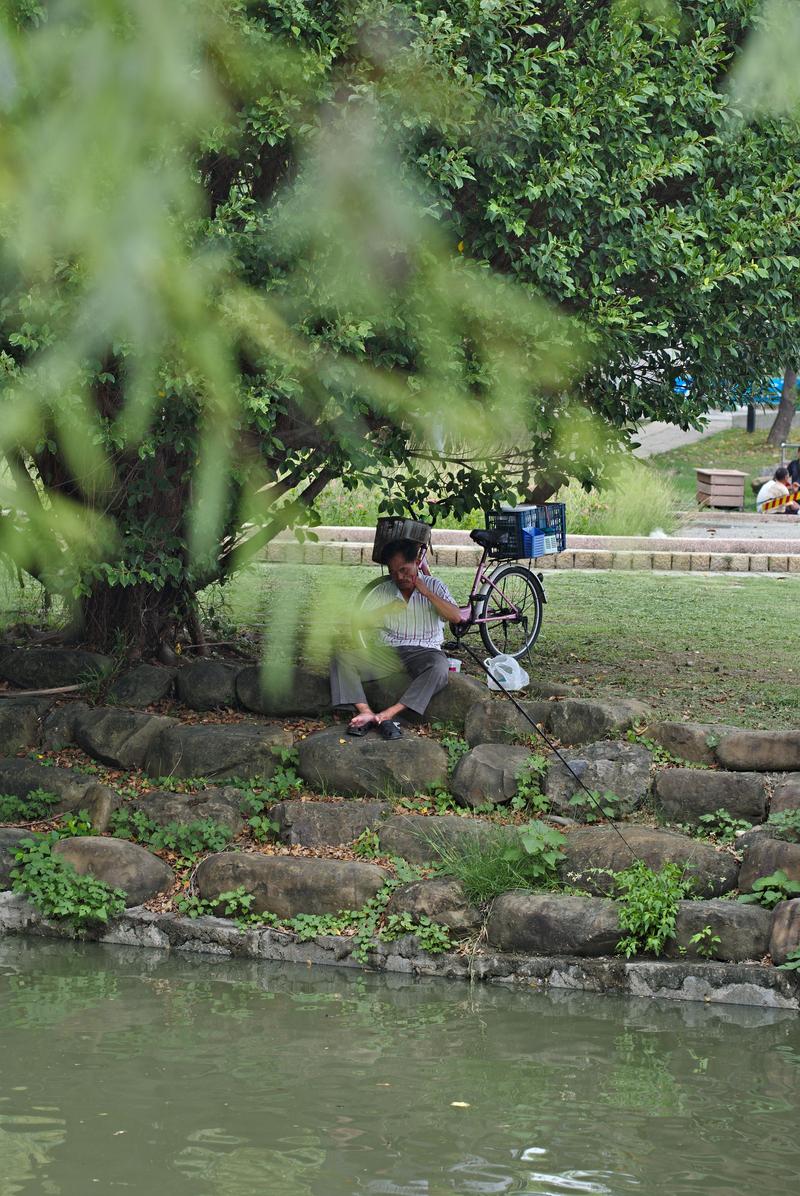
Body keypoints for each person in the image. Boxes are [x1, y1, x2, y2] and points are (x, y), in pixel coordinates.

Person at [329, 539, 463, 739]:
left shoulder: (434, 585)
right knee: (342, 658)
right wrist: (385, 609)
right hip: (388, 650)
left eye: (404, 570)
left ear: (417, 563)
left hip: (425, 651)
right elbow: (359, 623)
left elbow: (455, 617)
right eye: (393, 572)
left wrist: (426, 593)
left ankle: (389, 713)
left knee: (439, 668)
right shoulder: (384, 590)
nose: (399, 577)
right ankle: (365, 711)